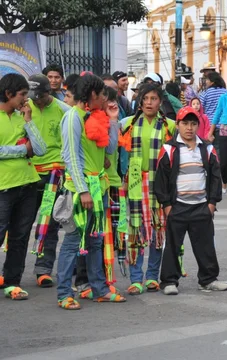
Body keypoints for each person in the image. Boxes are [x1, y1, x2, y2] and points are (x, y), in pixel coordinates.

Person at [56, 74, 125, 309]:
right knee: (73, 241)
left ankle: (99, 289)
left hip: (99, 187)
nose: (106, 98)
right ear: (92, 95)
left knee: (96, 240)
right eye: (103, 94)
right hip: (80, 190)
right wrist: (83, 190)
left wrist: (113, 120)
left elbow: (111, 149)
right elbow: (71, 157)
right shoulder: (73, 117)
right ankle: (64, 293)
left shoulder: (97, 116)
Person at [155, 106, 227, 294]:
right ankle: (169, 281)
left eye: (193, 123)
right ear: (178, 125)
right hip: (177, 206)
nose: (189, 128)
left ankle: (208, 279)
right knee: (172, 246)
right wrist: (167, 205)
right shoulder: (169, 149)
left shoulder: (207, 148)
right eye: (185, 123)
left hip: (201, 207)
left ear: (198, 125)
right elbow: (161, 180)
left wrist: (212, 203)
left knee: (205, 246)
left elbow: (215, 177)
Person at [119, 83, 176, 296]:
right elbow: (118, 154)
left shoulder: (170, 125)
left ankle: (152, 275)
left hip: (160, 184)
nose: (149, 102)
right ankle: (136, 278)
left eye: (153, 98)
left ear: (160, 101)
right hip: (135, 185)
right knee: (136, 230)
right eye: (146, 99)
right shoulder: (127, 124)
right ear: (139, 101)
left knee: (157, 231)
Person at [0, 73, 46, 300]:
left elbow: (40, 149)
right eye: (22, 95)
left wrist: (28, 120)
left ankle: (12, 283)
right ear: (8, 94)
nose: (26, 100)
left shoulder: (22, 118)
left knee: (20, 237)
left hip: (28, 185)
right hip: (3, 188)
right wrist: (21, 150)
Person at [27, 74, 71, 288]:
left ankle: (43, 269)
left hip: (53, 175)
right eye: (32, 97)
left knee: (48, 223)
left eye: (40, 97)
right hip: (28, 173)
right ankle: (9, 271)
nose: (36, 101)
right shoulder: (23, 108)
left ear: (49, 92)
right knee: (20, 224)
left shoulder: (64, 110)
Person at [199, 71, 227, 151]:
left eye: (207, 80)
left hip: (209, 125)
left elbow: (200, 107)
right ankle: (219, 163)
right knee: (220, 149)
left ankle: (212, 163)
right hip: (222, 125)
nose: (206, 82)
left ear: (212, 81)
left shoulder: (206, 93)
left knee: (208, 148)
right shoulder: (225, 92)